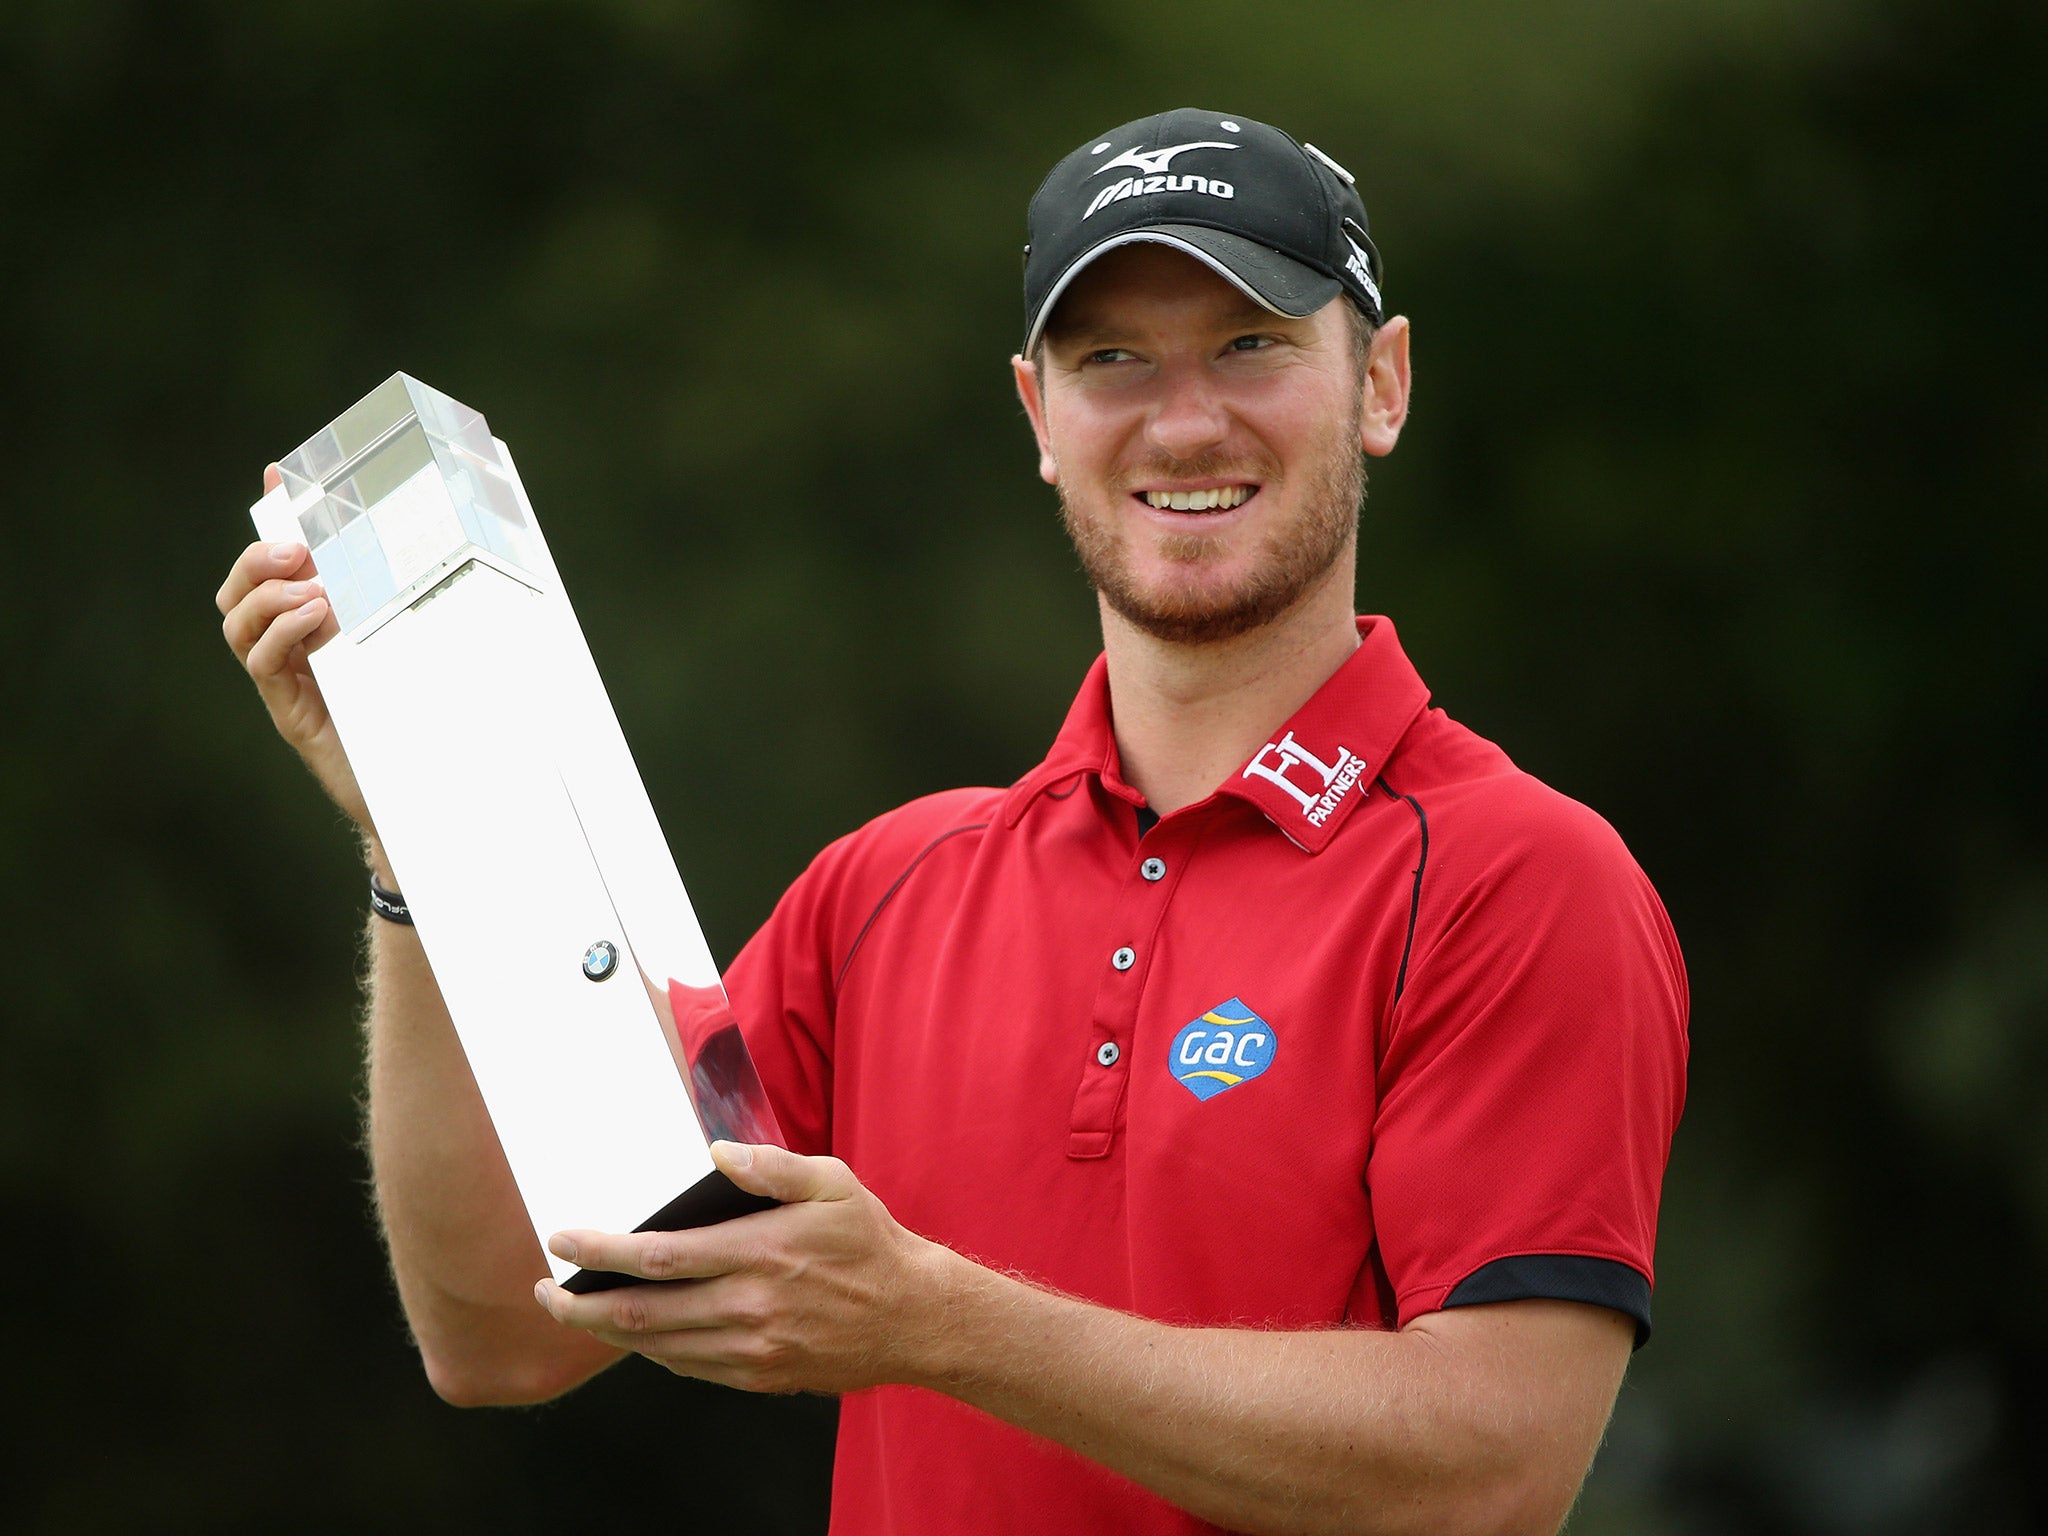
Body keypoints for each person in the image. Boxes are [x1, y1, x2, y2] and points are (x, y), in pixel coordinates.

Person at [217, 108, 1687, 1536]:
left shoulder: (1521, 878)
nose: (1185, 420)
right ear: (1041, 417)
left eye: (1252, 344)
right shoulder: (892, 885)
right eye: (1113, 360)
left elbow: (1487, 1476)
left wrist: (941, 1325)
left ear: (1379, 384)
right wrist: (423, 851)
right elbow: (500, 1334)